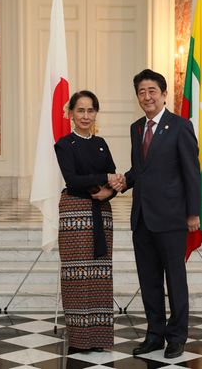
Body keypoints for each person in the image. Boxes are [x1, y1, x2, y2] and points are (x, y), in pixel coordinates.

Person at [113, 69, 201, 359]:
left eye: (152, 90)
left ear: (164, 94)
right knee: (148, 280)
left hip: (172, 218)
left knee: (175, 279)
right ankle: (154, 334)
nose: (147, 96)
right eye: (141, 91)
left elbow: (191, 172)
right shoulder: (136, 128)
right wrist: (122, 182)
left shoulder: (180, 126)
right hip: (142, 218)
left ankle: (177, 336)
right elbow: (140, 170)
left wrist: (193, 213)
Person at [54, 90, 120, 353]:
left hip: (101, 216)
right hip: (74, 216)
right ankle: (81, 339)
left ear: (96, 113)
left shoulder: (101, 142)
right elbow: (72, 179)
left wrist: (111, 190)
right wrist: (101, 183)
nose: (85, 115)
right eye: (80, 110)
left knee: (100, 275)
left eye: (90, 110)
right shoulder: (64, 144)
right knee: (77, 276)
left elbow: (114, 176)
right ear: (71, 114)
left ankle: (100, 339)